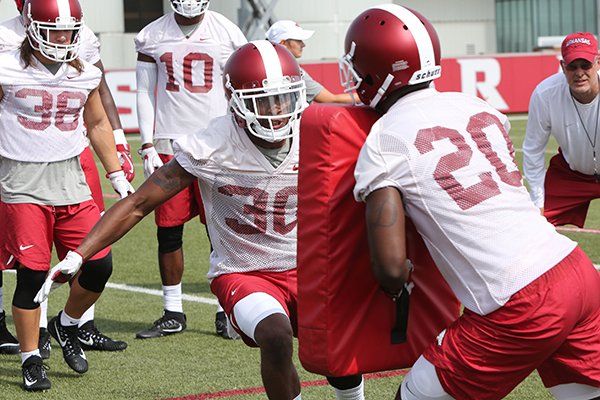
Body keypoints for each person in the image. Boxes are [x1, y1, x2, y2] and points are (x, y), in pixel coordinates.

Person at [38, 40, 365, 400]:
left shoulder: (318, 133)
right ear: (235, 101)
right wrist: (78, 254)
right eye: (263, 101)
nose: (276, 112)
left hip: (312, 267)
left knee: (340, 344)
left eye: (284, 99)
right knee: (275, 336)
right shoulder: (213, 143)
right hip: (245, 270)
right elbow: (139, 204)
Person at [341, 4, 600, 400]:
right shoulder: (477, 106)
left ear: (377, 69)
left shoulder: (384, 139)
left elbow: (390, 268)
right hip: (575, 271)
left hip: (517, 299)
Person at [0, 0, 134, 391]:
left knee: (98, 265)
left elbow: (96, 122)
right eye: (54, 30)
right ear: (31, 28)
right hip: (21, 179)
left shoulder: (84, 72)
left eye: (69, 31)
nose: (63, 38)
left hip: (69, 177)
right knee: (32, 275)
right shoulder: (7, 67)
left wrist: (114, 172)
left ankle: (68, 324)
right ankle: (30, 358)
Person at [135, 0, 247, 340]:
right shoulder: (151, 34)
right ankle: (173, 311)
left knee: (222, 232)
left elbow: (242, 88)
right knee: (168, 231)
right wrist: (147, 143)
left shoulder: (228, 32)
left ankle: (224, 310)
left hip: (218, 144)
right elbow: (143, 90)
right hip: (172, 145)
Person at [524, 32, 600, 228]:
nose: (579, 72)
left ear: (598, 62)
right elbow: (533, 150)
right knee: (530, 226)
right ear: (562, 67)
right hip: (571, 175)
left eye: (586, 65)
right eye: (572, 66)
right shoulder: (545, 94)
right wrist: (537, 203)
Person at [266, 20, 359, 104]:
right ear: (283, 43)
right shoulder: (293, 70)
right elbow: (330, 99)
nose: (303, 45)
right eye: (298, 40)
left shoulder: (264, 65)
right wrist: (368, 97)